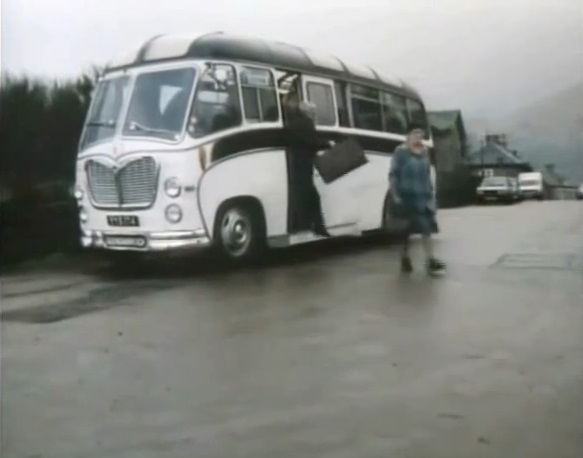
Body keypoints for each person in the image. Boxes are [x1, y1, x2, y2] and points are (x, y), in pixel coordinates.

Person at [388, 127, 446, 274]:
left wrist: (432, 195)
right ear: (407, 136)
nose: (418, 137)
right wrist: (395, 195)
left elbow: (428, 174)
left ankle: (430, 260)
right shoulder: (400, 152)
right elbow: (393, 174)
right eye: (415, 134)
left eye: (420, 135)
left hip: (423, 196)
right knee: (405, 232)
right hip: (406, 196)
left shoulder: (425, 152)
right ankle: (404, 258)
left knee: (426, 229)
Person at [282, 92, 331, 237]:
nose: (315, 115)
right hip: (303, 167)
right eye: (313, 112)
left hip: (295, 165)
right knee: (313, 198)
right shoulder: (306, 124)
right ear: (308, 113)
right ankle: (318, 227)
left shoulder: (294, 123)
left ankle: (300, 226)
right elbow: (313, 141)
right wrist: (328, 144)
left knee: (299, 196)